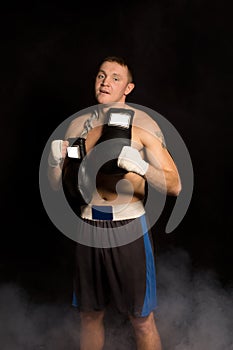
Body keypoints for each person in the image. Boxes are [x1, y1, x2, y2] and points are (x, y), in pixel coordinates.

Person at [47, 56, 181, 350]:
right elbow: (59, 186)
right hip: (88, 225)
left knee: (142, 320)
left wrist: (142, 167)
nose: (105, 82)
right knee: (89, 315)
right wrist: (54, 165)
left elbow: (175, 185)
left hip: (128, 227)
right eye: (100, 75)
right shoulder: (77, 126)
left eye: (115, 78)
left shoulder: (144, 125)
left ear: (128, 88)